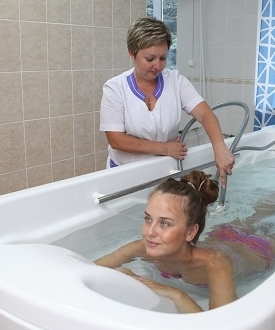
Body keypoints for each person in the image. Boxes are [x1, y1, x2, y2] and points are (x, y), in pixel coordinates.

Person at [99, 17, 235, 187]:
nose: (157, 66)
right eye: (150, 59)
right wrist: (165, 148)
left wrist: (220, 147)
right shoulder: (115, 88)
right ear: (132, 54)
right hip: (125, 177)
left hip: (165, 173)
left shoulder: (176, 82)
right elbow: (116, 140)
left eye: (163, 58)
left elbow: (205, 114)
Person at [95, 170, 237, 313]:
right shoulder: (141, 247)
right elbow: (92, 270)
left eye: (164, 223)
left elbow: (219, 323)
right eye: (148, 219)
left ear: (190, 232)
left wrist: (177, 294)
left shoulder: (215, 264)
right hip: (218, 238)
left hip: (245, 245)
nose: (150, 232)